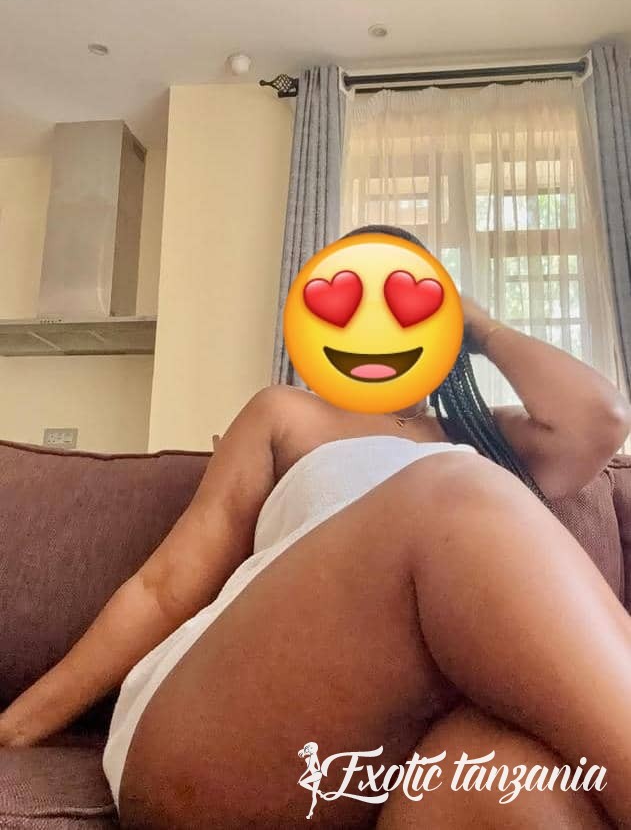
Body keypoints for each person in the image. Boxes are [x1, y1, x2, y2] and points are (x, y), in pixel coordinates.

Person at [1, 224, 630, 830]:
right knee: (451, 489)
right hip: (224, 732)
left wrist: (483, 327)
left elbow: (600, 419)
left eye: (406, 304)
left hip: (402, 758)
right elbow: (163, 588)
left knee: (507, 779)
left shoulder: (478, 434)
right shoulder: (287, 414)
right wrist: (19, 725)